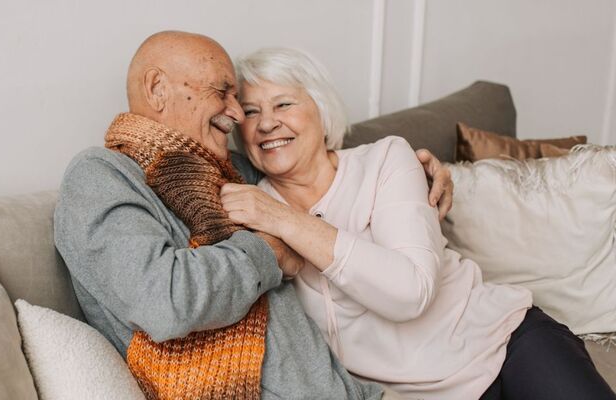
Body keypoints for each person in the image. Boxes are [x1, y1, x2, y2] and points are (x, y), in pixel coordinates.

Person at [54, 31, 451, 400]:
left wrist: (422, 173)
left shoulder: (234, 172)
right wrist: (271, 252)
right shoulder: (101, 175)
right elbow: (165, 301)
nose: (238, 116)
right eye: (224, 93)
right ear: (157, 89)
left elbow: (318, 167)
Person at [221, 46, 616, 400]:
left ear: (322, 112)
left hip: (506, 344)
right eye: (251, 111)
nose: (267, 123)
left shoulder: (385, 160)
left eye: (284, 104)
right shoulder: (249, 203)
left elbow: (410, 292)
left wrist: (288, 222)